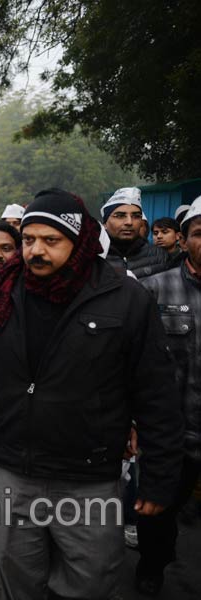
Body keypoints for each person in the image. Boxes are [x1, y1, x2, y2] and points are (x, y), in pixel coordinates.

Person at [0, 188, 183, 600]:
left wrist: (160, 477)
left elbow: (156, 394)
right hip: (11, 468)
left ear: (79, 241)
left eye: (51, 241)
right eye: (28, 240)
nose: (35, 252)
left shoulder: (125, 299)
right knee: (16, 574)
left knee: (91, 581)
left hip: (88, 477)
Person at [136, 202, 201, 595]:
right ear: (183, 239)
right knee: (158, 511)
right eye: (199, 233)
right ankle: (151, 566)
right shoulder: (154, 290)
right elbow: (134, 365)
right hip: (172, 433)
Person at [101, 187, 169, 278]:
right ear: (105, 223)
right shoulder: (92, 256)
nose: (129, 222)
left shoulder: (160, 256)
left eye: (136, 216)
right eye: (120, 216)